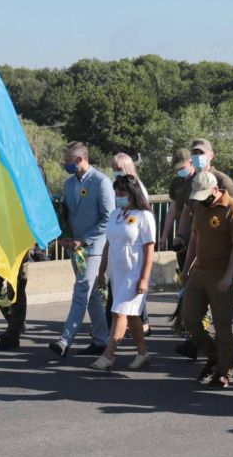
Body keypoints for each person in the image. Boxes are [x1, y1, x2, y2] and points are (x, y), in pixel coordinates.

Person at [179, 170, 233, 387]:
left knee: (223, 327)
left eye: (206, 196)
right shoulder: (199, 207)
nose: (203, 201)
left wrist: (229, 276)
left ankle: (224, 370)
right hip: (199, 272)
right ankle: (213, 355)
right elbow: (194, 238)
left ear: (216, 189)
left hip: (222, 274)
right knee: (189, 319)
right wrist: (186, 268)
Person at [51, 142, 114, 360]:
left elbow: (109, 218)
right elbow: (68, 213)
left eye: (68, 161)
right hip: (74, 248)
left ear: (80, 159)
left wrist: (84, 240)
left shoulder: (102, 182)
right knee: (92, 295)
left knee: (81, 291)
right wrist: (64, 235)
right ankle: (101, 339)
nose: (65, 165)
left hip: (94, 247)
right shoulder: (69, 184)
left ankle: (65, 340)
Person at [94, 174, 156, 372]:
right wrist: (102, 271)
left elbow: (149, 248)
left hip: (134, 273)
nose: (118, 195)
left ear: (133, 193)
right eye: (117, 192)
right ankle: (143, 352)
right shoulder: (115, 214)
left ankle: (108, 355)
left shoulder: (143, 216)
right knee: (131, 316)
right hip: (117, 272)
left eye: (122, 192)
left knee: (119, 312)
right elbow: (108, 244)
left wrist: (144, 278)